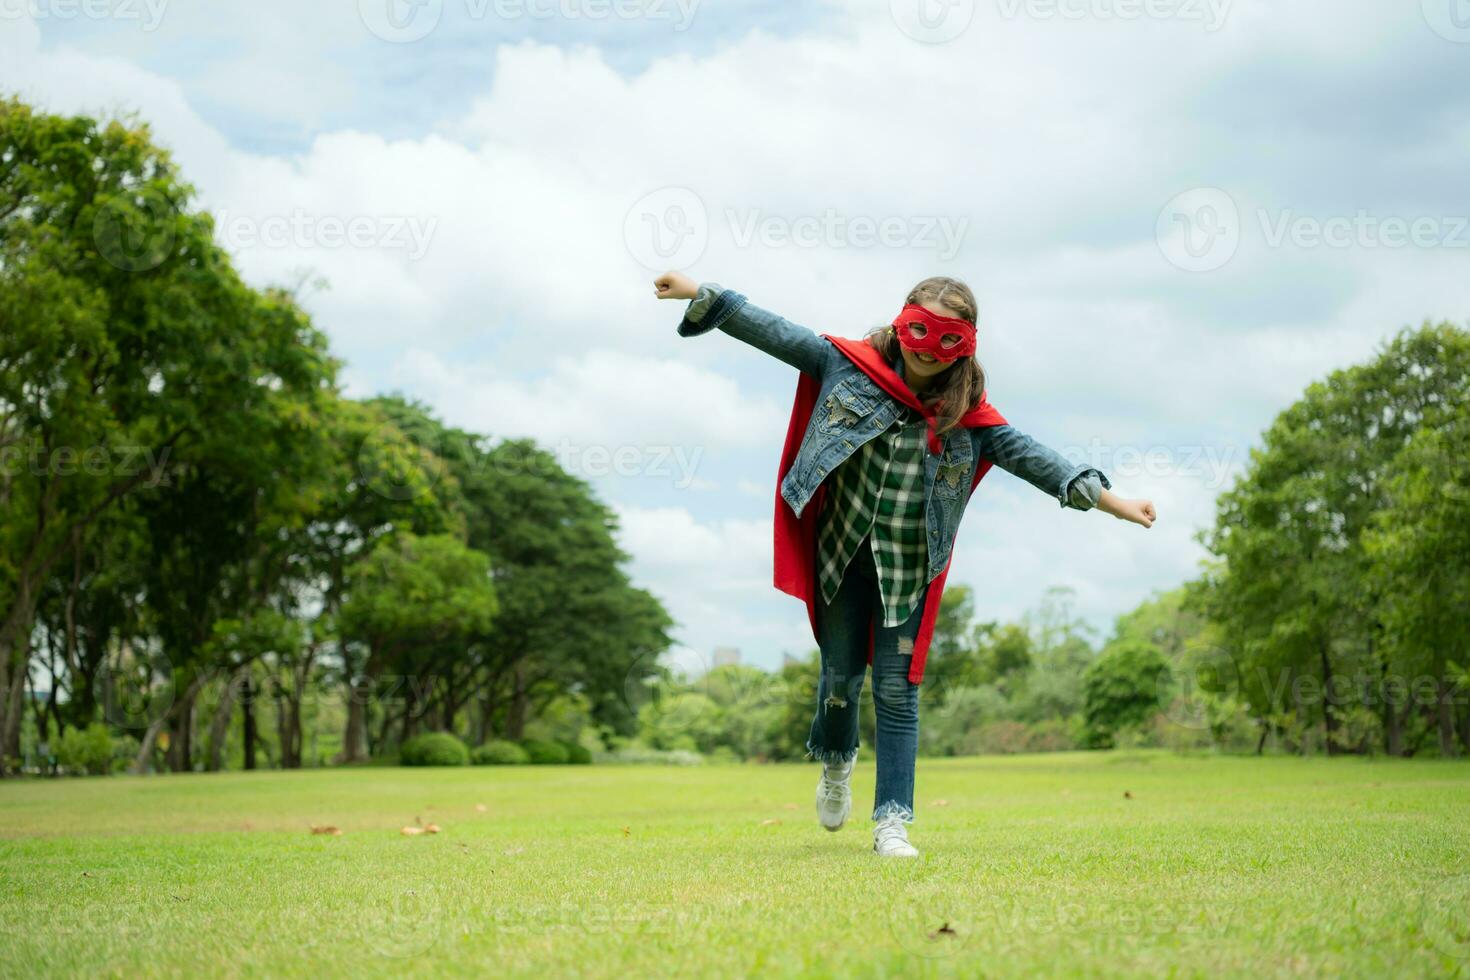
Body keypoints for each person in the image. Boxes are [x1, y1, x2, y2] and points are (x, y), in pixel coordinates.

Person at [654, 271, 1157, 857]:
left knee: (898, 691)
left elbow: (1035, 459)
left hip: (908, 571)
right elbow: (774, 332)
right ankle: (837, 765)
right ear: (902, 323)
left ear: (965, 346)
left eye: (944, 339)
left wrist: (1115, 503)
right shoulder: (846, 366)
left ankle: (891, 822)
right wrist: (699, 294)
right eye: (918, 330)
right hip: (840, 557)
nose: (926, 347)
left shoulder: (969, 417)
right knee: (840, 681)